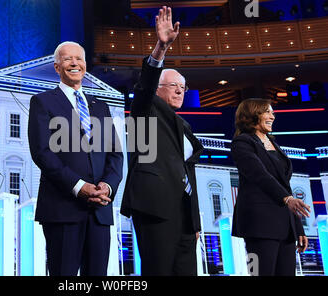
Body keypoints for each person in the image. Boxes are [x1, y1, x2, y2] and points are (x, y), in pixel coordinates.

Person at [28, 41, 123, 276]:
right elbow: (42, 152)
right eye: (68, 59)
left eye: (79, 59)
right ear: (57, 67)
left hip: (99, 211)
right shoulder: (42, 102)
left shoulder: (101, 106)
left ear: (85, 65)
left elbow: (115, 154)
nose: (74, 63)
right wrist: (79, 186)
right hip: (63, 209)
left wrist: (107, 187)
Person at [121, 7, 204, 276]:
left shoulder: (184, 125)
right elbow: (144, 86)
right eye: (173, 85)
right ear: (158, 88)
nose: (181, 89)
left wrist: (196, 221)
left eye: (184, 86)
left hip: (184, 214)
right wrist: (161, 47)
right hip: (155, 208)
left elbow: (187, 172)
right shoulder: (146, 109)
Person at [231, 98, 310, 276]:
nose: (272, 116)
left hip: (284, 226)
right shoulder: (242, 143)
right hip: (258, 226)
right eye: (267, 112)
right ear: (253, 114)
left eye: (272, 112)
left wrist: (298, 227)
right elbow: (259, 174)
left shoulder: (274, 143)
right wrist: (288, 199)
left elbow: (284, 186)